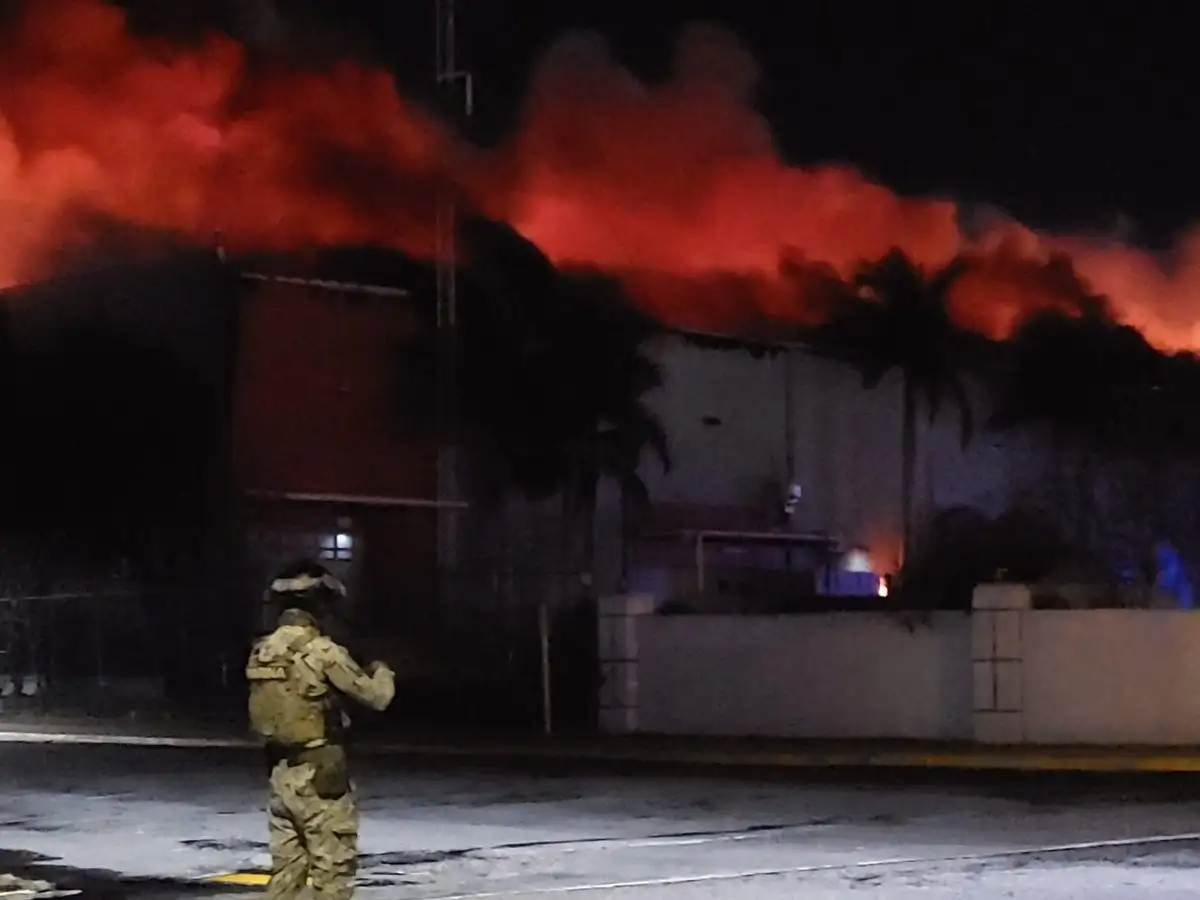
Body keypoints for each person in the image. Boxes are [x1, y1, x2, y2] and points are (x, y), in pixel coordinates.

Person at [246, 560, 395, 900]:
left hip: (281, 774)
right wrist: (382, 668)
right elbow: (377, 698)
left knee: (286, 876)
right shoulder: (323, 651)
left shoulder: (262, 651)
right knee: (333, 873)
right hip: (320, 778)